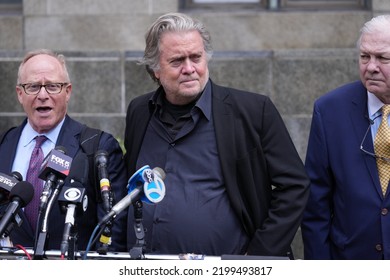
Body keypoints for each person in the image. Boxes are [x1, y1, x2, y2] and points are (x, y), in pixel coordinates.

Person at [124, 12, 310, 258]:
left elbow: (295, 186)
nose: (189, 69)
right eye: (177, 60)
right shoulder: (140, 110)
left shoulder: (252, 111)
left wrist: (258, 257)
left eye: (196, 57)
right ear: (155, 69)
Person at [0, 49, 128, 254]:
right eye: (33, 86)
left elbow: (114, 234)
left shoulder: (97, 148)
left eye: (52, 86)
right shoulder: (3, 145)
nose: (43, 95)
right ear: (20, 94)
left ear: (67, 92)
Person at [301, 15, 390, 260]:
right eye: (364, 56)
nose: (371, 66)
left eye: (383, 58)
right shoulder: (330, 110)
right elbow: (315, 204)